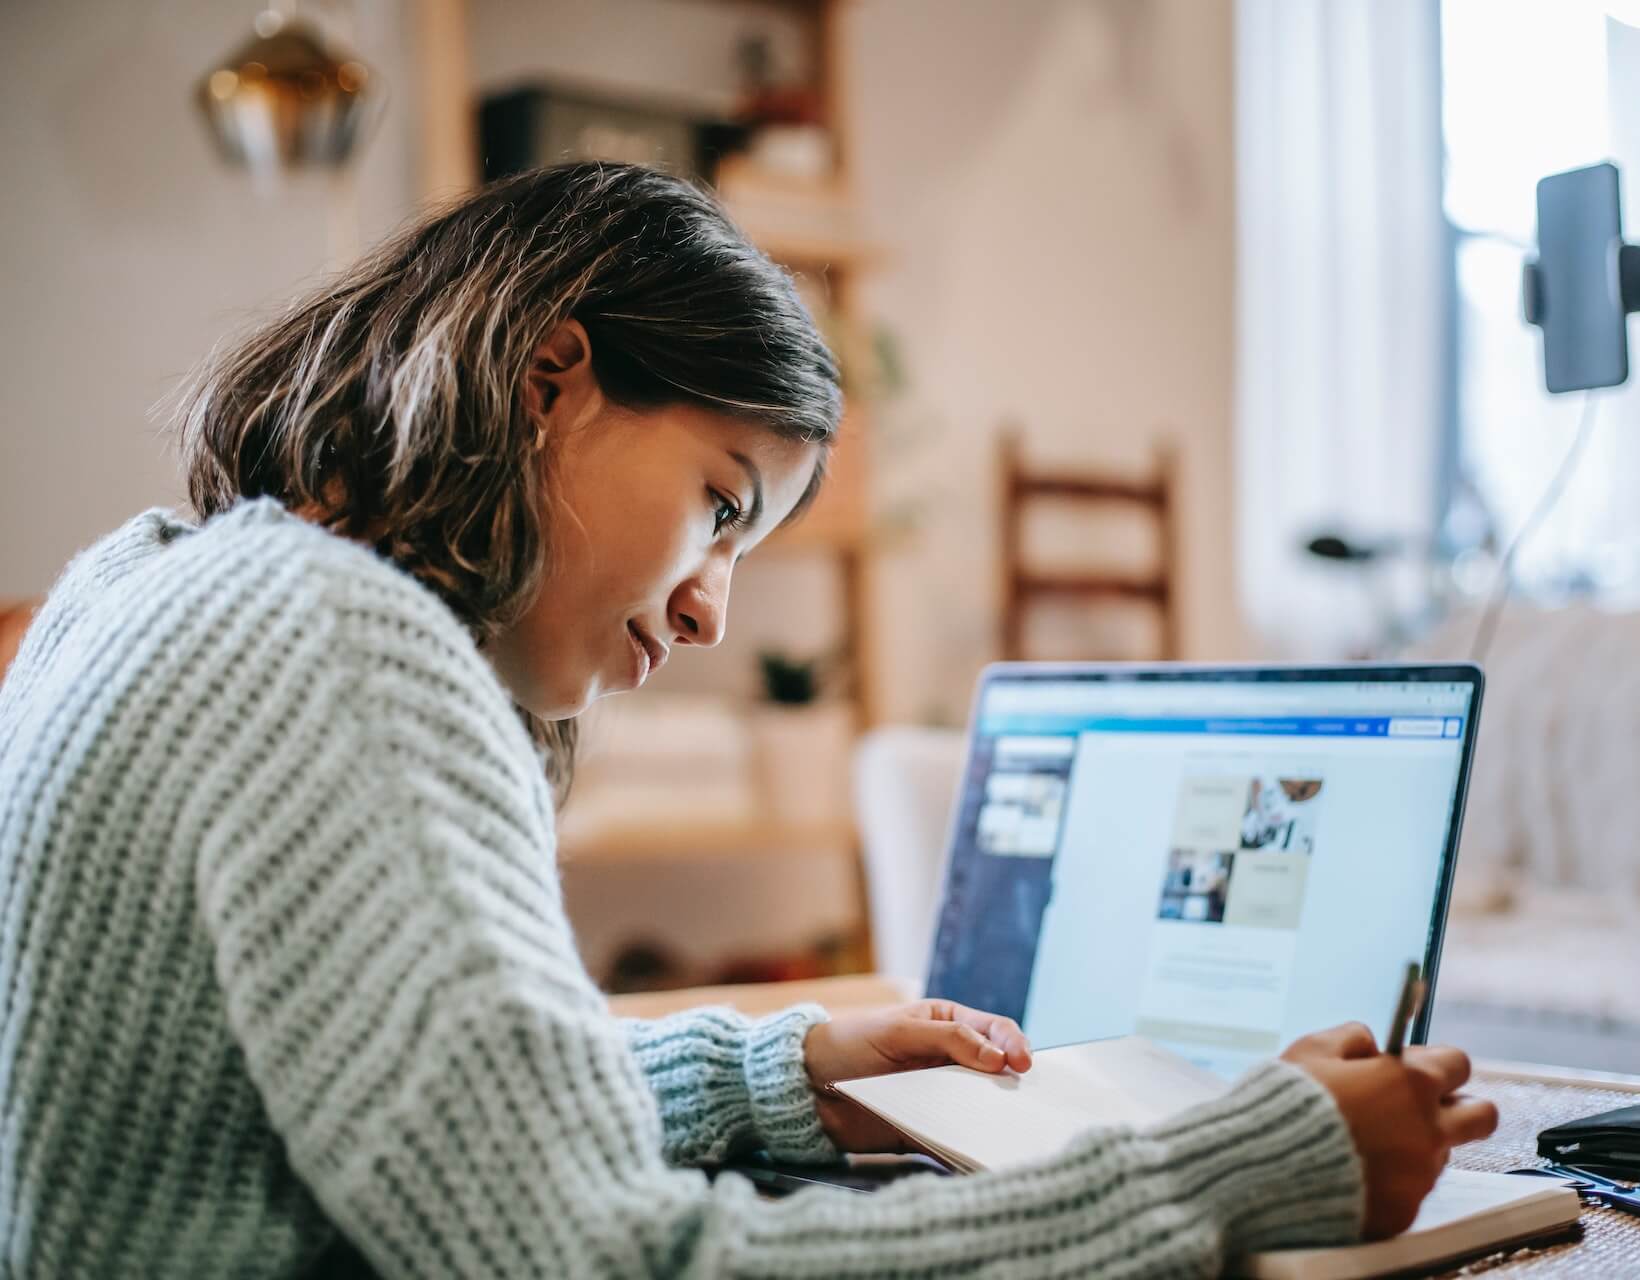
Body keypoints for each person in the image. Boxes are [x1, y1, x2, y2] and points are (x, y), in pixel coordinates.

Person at [0, 162, 1496, 1278]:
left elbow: (427, 1115)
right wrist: (1230, 1170)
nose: (713, 609)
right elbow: (605, 1261)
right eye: (720, 503)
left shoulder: (151, 581)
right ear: (546, 380)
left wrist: (793, 1079)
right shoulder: (341, 649)